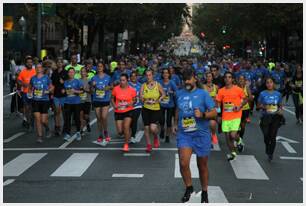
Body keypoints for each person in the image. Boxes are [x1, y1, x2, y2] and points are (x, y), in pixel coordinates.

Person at [173, 69, 217, 203]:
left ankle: (204, 191)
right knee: (183, 162)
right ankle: (189, 187)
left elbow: (214, 112)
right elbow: (178, 109)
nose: (186, 82)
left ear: (195, 79)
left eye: (188, 79)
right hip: (184, 133)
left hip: (201, 134)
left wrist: (203, 115)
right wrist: (175, 123)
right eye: (184, 79)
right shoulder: (179, 93)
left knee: (202, 165)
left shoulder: (203, 94)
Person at [216, 71, 247, 161]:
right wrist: (218, 115)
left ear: (232, 79)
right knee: (227, 137)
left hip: (236, 115)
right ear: (224, 79)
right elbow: (218, 104)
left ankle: (239, 140)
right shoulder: (221, 91)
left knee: (232, 135)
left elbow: (245, 99)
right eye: (226, 77)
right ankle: (233, 153)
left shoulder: (238, 89)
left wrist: (240, 106)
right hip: (225, 116)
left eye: (229, 77)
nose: (227, 79)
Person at [258, 77, 284, 161]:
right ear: (265, 84)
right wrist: (264, 106)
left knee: (273, 136)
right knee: (266, 135)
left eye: (271, 82)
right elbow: (258, 106)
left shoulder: (278, 94)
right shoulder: (262, 93)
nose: (269, 84)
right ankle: (267, 146)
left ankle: (271, 153)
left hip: (275, 117)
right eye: (267, 83)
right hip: (265, 117)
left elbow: (280, 105)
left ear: (273, 84)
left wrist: (281, 110)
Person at [140, 69, 165, 153]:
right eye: (147, 75)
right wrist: (144, 100)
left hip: (155, 109)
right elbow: (140, 97)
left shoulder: (158, 85)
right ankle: (149, 145)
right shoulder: (143, 85)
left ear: (152, 75)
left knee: (153, 128)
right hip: (146, 109)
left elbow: (163, 94)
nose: (148, 77)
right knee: (146, 128)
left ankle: (155, 136)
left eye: (150, 75)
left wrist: (158, 100)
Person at [28, 64, 54, 143]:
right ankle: (39, 136)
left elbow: (52, 87)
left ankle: (47, 128)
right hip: (35, 100)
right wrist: (30, 93)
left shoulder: (46, 77)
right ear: (35, 69)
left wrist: (48, 91)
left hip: (45, 101)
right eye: (37, 67)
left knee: (43, 121)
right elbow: (30, 88)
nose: (38, 69)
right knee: (37, 119)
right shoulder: (33, 78)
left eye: (40, 67)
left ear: (42, 69)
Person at [111, 73, 137, 152]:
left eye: (123, 80)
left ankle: (126, 144)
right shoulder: (115, 89)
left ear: (127, 80)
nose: (122, 82)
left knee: (126, 127)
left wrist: (130, 103)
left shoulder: (132, 90)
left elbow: (135, 100)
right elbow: (112, 98)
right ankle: (127, 133)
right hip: (118, 111)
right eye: (121, 80)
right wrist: (114, 105)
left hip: (128, 110)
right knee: (120, 131)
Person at [90, 62, 112, 143]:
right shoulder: (94, 78)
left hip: (105, 99)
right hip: (96, 100)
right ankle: (100, 134)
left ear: (103, 67)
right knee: (99, 118)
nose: (99, 67)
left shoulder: (108, 77)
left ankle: (106, 132)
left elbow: (111, 86)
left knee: (104, 117)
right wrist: (93, 86)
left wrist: (107, 88)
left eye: (101, 66)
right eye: (98, 66)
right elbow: (91, 90)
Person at [62, 68, 83, 141]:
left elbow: (82, 91)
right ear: (68, 73)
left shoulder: (78, 81)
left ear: (74, 73)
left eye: (72, 72)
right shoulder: (65, 82)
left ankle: (78, 132)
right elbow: (63, 91)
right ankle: (68, 134)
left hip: (76, 102)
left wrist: (75, 91)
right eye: (69, 72)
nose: (71, 73)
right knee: (67, 119)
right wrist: (63, 91)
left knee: (77, 118)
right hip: (67, 102)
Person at [17, 56, 36, 130]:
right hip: (25, 92)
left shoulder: (35, 71)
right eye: (28, 62)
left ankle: (31, 121)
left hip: (34, 92)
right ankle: (28, 122)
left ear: (32, 63)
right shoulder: (23, 72)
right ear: (26, 63)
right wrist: (22, 83)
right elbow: (18, 80)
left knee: (32, 108)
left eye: (31, 62)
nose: (29, 63)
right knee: (27, 108)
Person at [159, 68, 177, 143]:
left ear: (169, 74)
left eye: (167, 73)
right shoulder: (159, 83)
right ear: (162, 74)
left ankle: (167, 136)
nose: (165, 74)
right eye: (164, 73)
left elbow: (176, 93)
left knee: (169, 121)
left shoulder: (172, 83)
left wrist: (172, 92)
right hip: (161, 104)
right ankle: (162, 129)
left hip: (170, 105)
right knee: (161, 120)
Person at [51, 58, 68, 136]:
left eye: (60, 62)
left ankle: (65, 127)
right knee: (57, 111)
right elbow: (52, 84)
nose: (59, 64)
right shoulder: (54, 73)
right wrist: (51, 93)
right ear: (56, 64)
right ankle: (57, 127)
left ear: (62, 64)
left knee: (64, 112)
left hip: (64, 95)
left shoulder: (65, 72)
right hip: (56, 94)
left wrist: (64, 83)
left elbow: (69, 83)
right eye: (58, 62)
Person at [202, 71, 219, 145]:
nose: (209, 78)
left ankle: (213, 134)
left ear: (212, 78)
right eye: (207, 76)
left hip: (213, 109)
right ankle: (206, 137)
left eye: (210, 76)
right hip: (204, 109)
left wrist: (218, 107)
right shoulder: (202, 87)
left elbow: (218, 98)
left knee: (212, 123)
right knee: (204, 124)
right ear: (205, 77)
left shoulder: (216, 87)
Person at [237, 75, 253, 148]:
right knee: (237, 125)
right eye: (240, 79)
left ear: (244, 80)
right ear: (238, 80)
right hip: (237, 109)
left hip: (245, 109)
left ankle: (240, 139)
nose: (241, 81)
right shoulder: (235, 87)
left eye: (242, 79)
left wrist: (246, 98)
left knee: (243, 126)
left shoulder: (246, 88)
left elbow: (251, 98)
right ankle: (236, 139)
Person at [129, 71, 142, 143]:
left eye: (135, 76)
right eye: (132, 76)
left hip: (138, 106)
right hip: (128, 106)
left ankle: (133, 136)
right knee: (129, 121)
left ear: (137, 77)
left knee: (134, 120)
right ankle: (129, 133)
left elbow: (143, 95)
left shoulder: (140, 85)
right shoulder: (127, 85)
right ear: (130, 77)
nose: (133, 77)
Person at [79, 68, 92, 136]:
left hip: (87, 100)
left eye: (84, 71)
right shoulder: (78, 81)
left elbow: (91, 91)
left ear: (86, 73)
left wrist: (85, 89)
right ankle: (81, 130)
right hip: (80, 101)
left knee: (86, 116)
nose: (83, 73)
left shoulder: (89, 81)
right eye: (81, 72)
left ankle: (87, 122)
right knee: (81, 116)